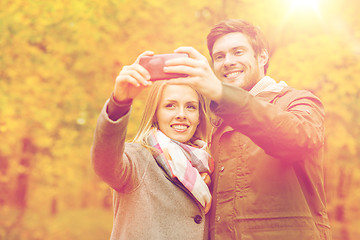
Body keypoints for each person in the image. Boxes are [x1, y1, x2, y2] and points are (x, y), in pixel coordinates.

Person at [164, 19, 331, 239]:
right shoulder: (216, 122)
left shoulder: (299, 101)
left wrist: (221, 93)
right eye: (219, 56)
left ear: (262, 57)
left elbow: (296, 139)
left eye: (238, 52)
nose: (228, 62)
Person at [90, 51, 214, 240]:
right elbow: (104, 164)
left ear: (199, 117)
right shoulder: (138, 159)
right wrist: (119, 103)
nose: (181, 114)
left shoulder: (208, 165)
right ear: (155, 114)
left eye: (190, 106)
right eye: (170, 105)